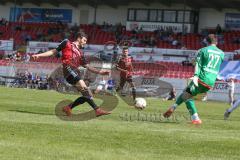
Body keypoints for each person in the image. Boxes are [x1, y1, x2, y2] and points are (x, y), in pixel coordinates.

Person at [32, 31, 111, 117]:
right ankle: (97, 110)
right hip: (68, 68)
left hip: (75, 72)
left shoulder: (80, 53)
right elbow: (54, 51)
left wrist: (100, 72)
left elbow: (87, 66)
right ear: (79, 38)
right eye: (84, 40)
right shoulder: (67, 42)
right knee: (84, 88)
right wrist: (39, 55)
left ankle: (68, 107)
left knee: (87, 95)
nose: (85, 43)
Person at [163, 34, 224, 124]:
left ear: (206, 42)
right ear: (216, 42)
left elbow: (198, 65)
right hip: (211, 81)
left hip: (201, 78)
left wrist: (195, 74)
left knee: (187, 96)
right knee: (186, 93)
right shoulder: (222, 53)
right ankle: (173, 107)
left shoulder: (203, 50)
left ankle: (195, 118)